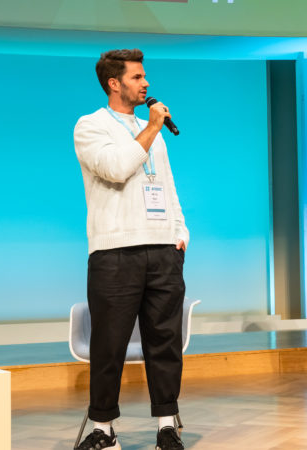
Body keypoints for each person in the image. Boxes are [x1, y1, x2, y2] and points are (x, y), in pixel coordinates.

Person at [73, 48, 189, 450]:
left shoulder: (150, 129)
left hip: (163, 250)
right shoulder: (91, 126)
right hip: (115, 252)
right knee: (109, 345)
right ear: (114, 83)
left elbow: (166, 185)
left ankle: (167, 426)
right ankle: (104, 430)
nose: (146, 83)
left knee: (165, 342)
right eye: (137, 77)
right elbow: (117, 168)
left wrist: (180, 231)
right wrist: (152, 128)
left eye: (145, 76)